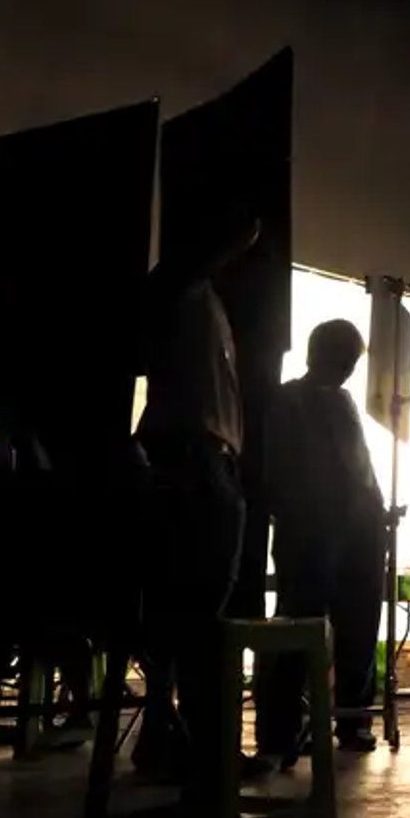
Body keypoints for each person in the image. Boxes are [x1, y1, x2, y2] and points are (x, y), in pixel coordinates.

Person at [134, 212, 260, 780]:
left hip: (201, 459)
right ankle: (206, 751)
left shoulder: (202, 298)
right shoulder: (178, 285)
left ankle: (169, 734)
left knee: (181, 613)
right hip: (193, 459)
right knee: (199, 616)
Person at [258, 319, 386, 757]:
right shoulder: (288, 399)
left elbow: (361, 464)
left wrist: (377, 510)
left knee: (359, 627)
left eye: (352, 361)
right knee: (300, 629)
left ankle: (352, 721)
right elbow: (283, 468)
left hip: (357, 531)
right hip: (311, 531)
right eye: (345, 359)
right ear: (319, 355)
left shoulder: (344, 401)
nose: (349, 370)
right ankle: (283, 728)